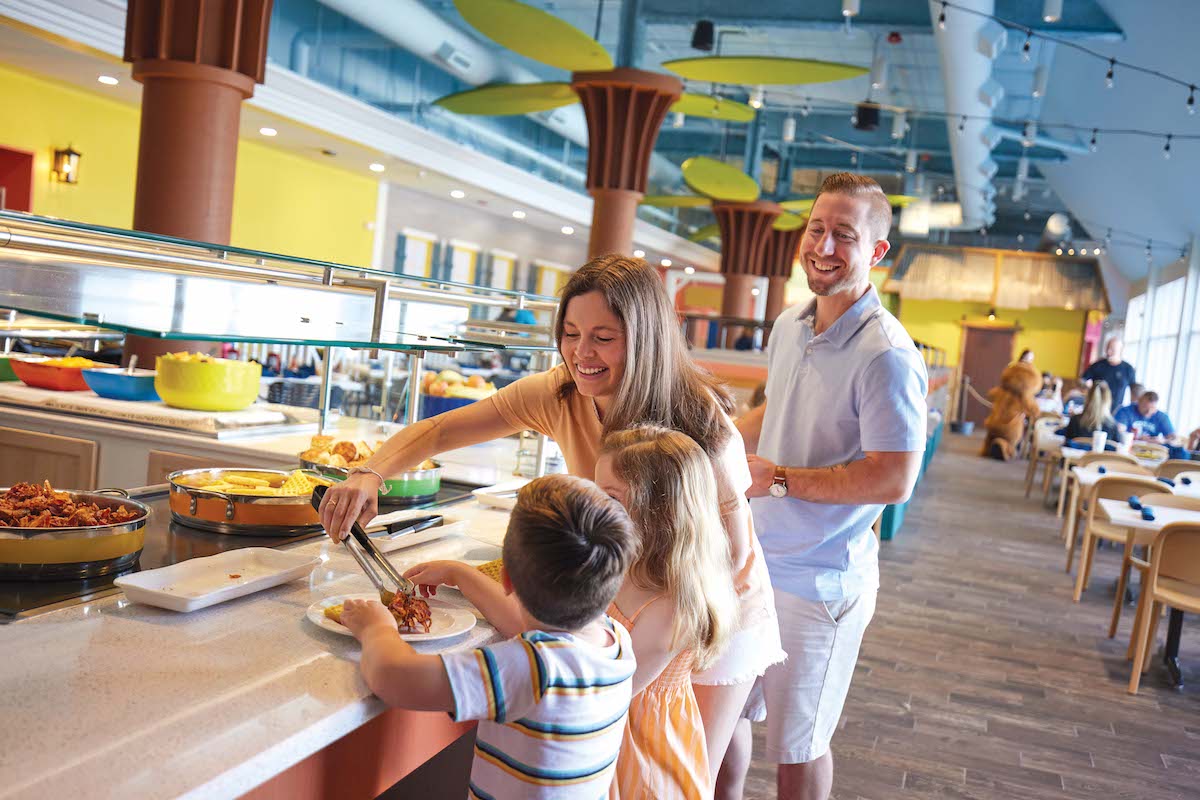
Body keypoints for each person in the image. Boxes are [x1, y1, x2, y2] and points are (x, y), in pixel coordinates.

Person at [317, 253, 782, 780]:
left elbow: (729, 555)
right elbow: (443, 431)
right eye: (570, 333)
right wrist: (369, 473)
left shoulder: (699, 421)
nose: (581, 353)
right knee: (624, 763)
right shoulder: (560, 392)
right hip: (622, 602)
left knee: (690, 765)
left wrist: (662, 635)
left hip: (709, 605)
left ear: (645, 339)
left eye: (603, 337)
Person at [732, 173, 928, 800]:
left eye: (844, 234)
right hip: (754, 563)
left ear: (876, 251)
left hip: (820, 583)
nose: (823, 245)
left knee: (798, 747)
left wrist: (778, 480)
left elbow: (894, 477)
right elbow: (778, 411)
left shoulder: (887, 354)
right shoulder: (790, 325)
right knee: (726, 715)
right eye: (816, 228)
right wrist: (712, 439)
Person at [337, 474, 638, 799]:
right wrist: (459, 573)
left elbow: (395, 677)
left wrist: (376, 627)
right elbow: (521, 623)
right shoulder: (615, 640)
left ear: (505, 578)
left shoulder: (534, 668)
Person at [594, 425, 739, 800]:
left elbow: (608, 695)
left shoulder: (671, 609)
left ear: (658, 512)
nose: (594, 507)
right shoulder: (621, 560)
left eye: (610, 497)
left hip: (641, 756)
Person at [1082, 338, 1136, 411]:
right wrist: (1087, 387)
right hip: (1096, 409)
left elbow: (1134, 390)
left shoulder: (1128, 369)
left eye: (1112, 349)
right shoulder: (1097, 365)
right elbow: (1083, 380)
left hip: (1116, 410)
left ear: (1120, 350)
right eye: (1107, 348)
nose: (1108, 352)